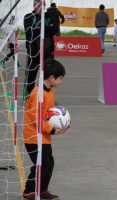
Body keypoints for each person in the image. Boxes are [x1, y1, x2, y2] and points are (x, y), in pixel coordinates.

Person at [22, 59, 68, 200]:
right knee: (41, 163)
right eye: (60, 78)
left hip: (44, 136)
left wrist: (59, 119)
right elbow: (36, 117)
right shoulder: (38, 94)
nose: (61, 81)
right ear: (51, 77)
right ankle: (29, 191)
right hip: (33, 136)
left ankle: (42, 189)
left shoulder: (50, 90)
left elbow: (49, 111)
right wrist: (52, 129)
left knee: (49, 163)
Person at [23, 0, 56, 99]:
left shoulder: (48, 17)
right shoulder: (28, 17)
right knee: (30, 76)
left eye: (43, 5)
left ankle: (47, 97)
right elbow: (30, 31)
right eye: (39, 5)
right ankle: (27, 97)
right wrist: (46, 28)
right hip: (34, 53)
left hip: (48, 53)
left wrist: (41, 29)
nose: (42, 7)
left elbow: (54, 30)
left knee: (49, 76)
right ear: (34, 6)